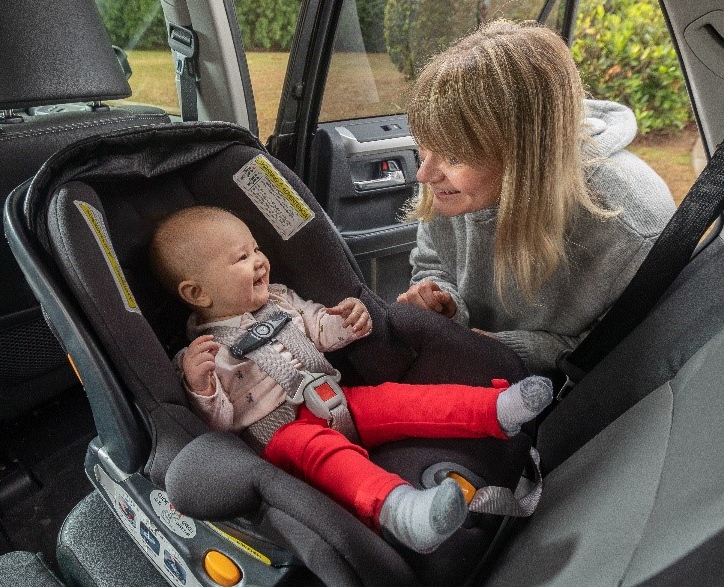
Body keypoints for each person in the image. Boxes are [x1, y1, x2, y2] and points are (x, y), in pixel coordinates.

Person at [149, 205, 553, 554]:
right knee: (329, 459)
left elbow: (323, 329)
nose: (259, 260)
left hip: (336, 396)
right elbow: (219, 426)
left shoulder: (281, 299)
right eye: (241, 258)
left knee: (399, 400)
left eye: (257, 249)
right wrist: (200, 389)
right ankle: (403, 511)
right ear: (198, 294)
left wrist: (352, 320)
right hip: (283, 437)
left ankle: (495, 409)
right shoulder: (200, 357)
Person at [396, 20, 676, 375]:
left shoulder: (632, 229)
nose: (424, 174)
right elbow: (433, 263)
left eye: (454, 156)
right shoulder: (451, 186)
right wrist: (445, 304)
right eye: (424, 146)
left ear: (524, 154)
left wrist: (504, 350)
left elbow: (618, 355)